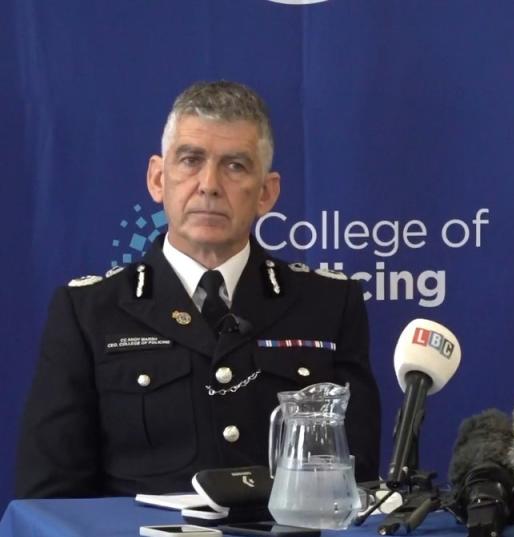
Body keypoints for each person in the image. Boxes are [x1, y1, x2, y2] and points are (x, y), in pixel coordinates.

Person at [15, 81, 381, 498]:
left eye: (235, 166)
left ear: (266, 192)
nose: (209, 184)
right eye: (190, 160)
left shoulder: (330, 306)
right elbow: (49, 499)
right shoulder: (88, 311)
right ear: (158, 178)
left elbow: (356, 484)